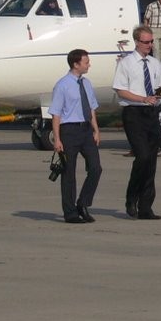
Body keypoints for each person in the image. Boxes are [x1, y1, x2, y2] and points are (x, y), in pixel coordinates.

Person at [114, 26, 161, 220]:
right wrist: (142, 99)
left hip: (151, 112)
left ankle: (146, 206)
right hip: (133, 112)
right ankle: (131, 197)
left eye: (151, 42)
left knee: (151, 160)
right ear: (137, 42)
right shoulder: (126, 63)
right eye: (146, 42)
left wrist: (156, 97)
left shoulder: (154, 63)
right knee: (142, 156)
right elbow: (120, 90)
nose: (150, 45)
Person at [50, 48, 101, 224]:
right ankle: (70, 212)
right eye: (86, 62)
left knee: (96, 168)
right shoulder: (62, 85)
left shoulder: (86, 83)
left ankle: (83, 203)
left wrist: (96, 129)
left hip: (86, 130)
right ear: (76, 64)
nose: (89, 65)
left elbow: (91, 108)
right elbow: (56, 114)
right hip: (69, 131)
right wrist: (57, 139)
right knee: (69, 173)